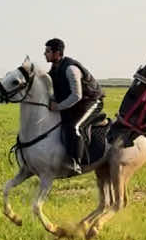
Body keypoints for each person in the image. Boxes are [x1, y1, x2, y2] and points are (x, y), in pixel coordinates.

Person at [44, 39, 104, 175]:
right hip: (76, 105)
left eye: (47, 51)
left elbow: (76, 96)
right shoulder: (54, 69)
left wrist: (58, 106)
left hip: (92, 102)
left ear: (57, 53)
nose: (44, 54)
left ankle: (75, 163)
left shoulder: (71, 69)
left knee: (74, 127)